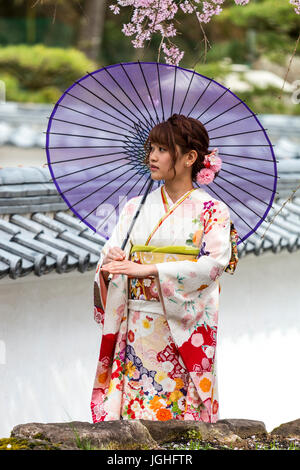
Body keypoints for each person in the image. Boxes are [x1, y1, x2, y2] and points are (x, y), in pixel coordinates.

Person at [91, 114, 239, 423]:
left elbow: (213, 265)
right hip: (136, 326)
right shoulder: (134, 207)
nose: (152, 157)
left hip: (181, 326)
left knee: (178, 423)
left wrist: (147, 270)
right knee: (134, 415)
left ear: (190, 157)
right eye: (151, 148)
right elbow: (109, 259)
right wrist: (111, 262)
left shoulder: (212, 210)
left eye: (162, 149)